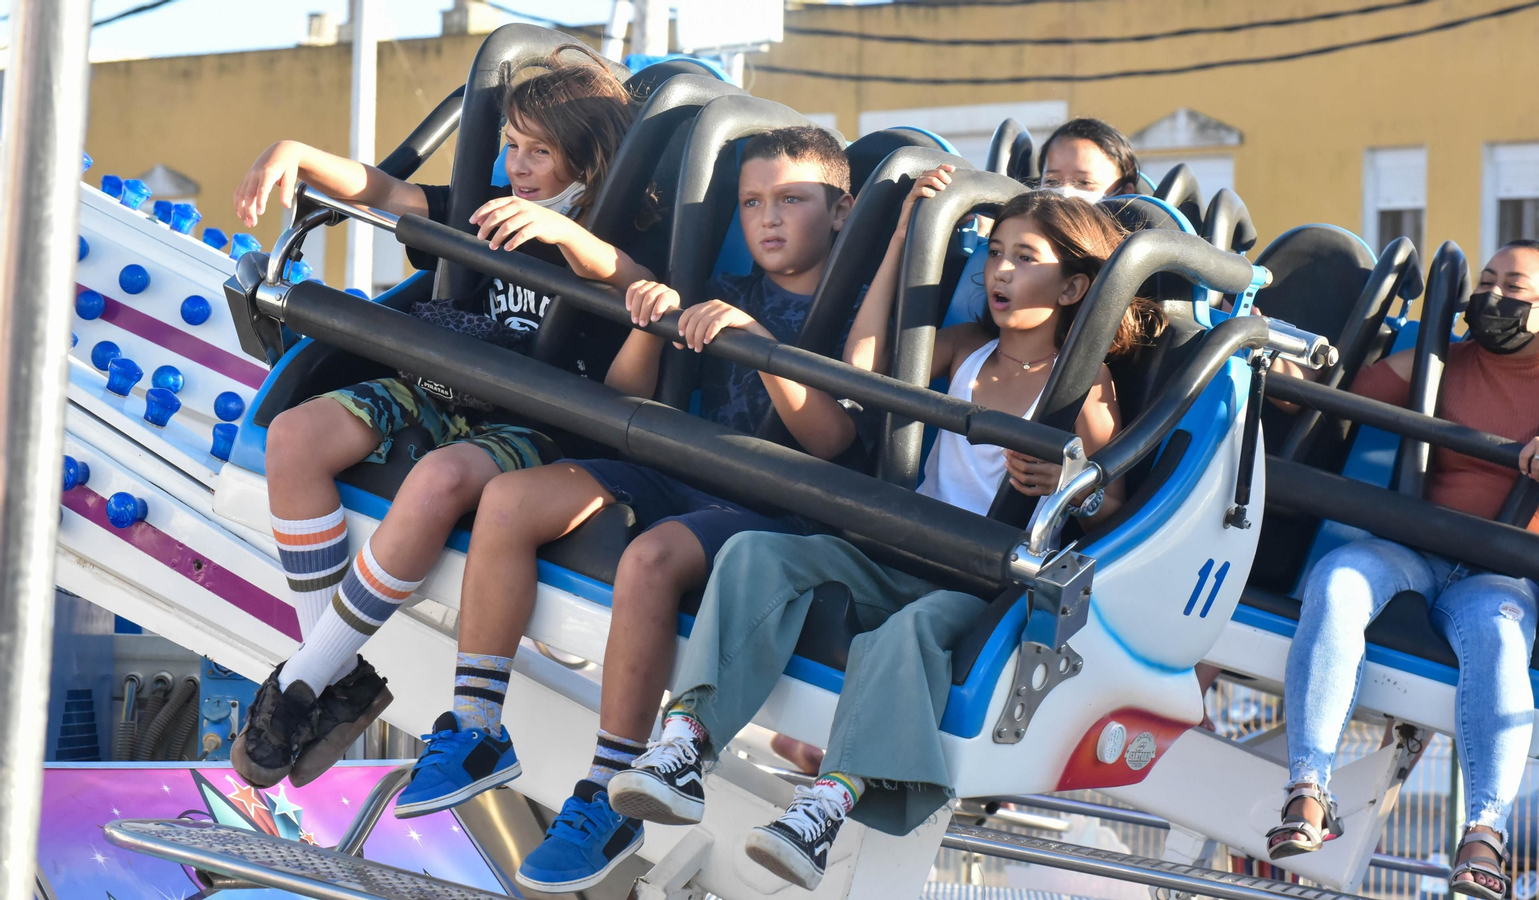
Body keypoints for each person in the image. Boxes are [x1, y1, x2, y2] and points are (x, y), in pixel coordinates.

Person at [610, 172, 1163, 891]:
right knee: (754, 555)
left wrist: (1069, 485)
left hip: (979, 583)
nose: (999, 270)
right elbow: (863, 368)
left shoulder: (1082, 387)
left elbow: (1112, 503)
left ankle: (827, 807)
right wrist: (906, 235)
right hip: (902, 549)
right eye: (995, 251)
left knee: (904, 636)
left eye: (1025, 258)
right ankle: (686, 743)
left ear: (1073, 290)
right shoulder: (963, 348)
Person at [389, 125, 865, 893]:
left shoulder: (852, 314)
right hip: (675, 465)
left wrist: (757, 342)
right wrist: (650, 323)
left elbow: (833, 435)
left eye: (792, 200)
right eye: (752, 201)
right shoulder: (726, 286)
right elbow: (625, 395)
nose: (769, 218)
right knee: (510, 497)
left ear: (840, 211)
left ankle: (611, 794)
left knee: (651, 558)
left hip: (776, 503)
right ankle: (476, 729)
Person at [230, 45, 655, 791]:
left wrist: (560, 234)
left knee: (437, 480)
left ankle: (303, 683)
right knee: (295, 437)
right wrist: (294, 152)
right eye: (511, 146)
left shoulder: (615, 236)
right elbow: (389, 193)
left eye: (539, 153)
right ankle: (334, 674)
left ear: (588, 163)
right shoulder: (486, 208)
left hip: (535, 421)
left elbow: (635, 281)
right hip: (441, 384)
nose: (516, 167)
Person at [1266, 241, 1539, 900]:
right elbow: (1334, 400)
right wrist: (1279, 374)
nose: (1494, 298)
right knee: (1338, 580)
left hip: (1503, 574)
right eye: (1488, 281)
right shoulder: (1440, 362)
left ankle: (1483, 834)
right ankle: (1308, 787)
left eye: (1515, 288)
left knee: (1499, 638)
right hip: (1415, 548)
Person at [944, 117, 1140, 326]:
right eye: (1052, 182)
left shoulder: (1130, 272)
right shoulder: (965, 338)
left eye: (1084, 183)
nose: (1065, 192)